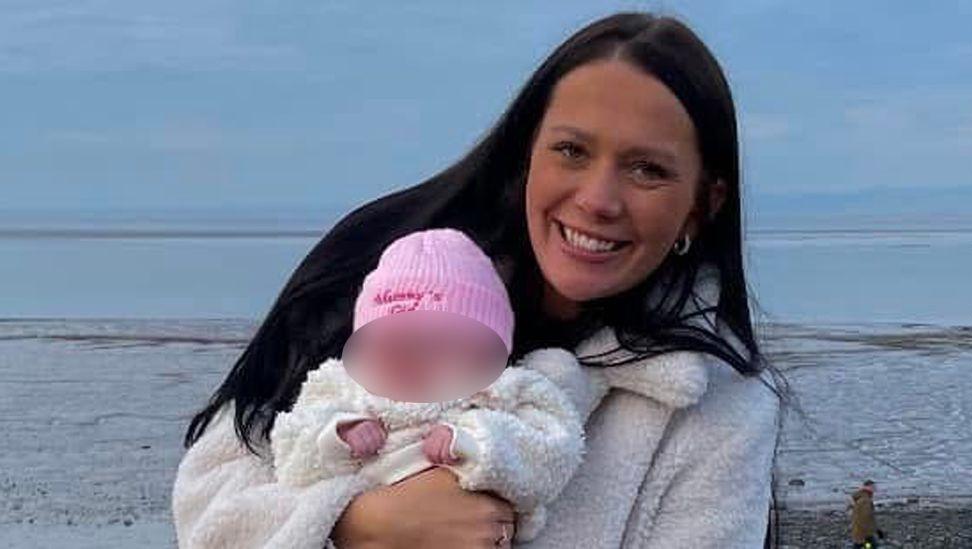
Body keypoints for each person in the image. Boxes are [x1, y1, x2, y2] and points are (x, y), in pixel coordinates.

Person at [171, 11, 786, 549]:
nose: (598, 199)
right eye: (572, 150)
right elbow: (207, 501)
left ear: (703, 204)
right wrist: (357, 525)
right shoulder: (384, 267)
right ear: (528, 154)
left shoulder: (720, 408)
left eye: (647, 169)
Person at [268, 227, 589, 544]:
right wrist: (339, 435)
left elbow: (552, 453)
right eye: (392, 343)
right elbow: (291, 455)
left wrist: (473, 442)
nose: (409, 359)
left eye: (437, 345)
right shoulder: (341, 388)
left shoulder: (504, 392)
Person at [850, 480, 885, 548]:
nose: (874, 490)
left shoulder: (862, 499)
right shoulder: (865, 501)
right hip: (865, 534)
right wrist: (875, 530)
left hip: (860, 532)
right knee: (869, 546)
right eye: (873, 488)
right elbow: (866, 519)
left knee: (863, 546)